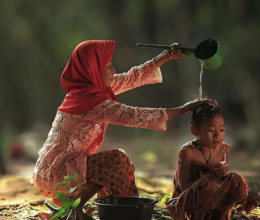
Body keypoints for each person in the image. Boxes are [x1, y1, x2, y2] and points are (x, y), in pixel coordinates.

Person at [31, 40, 216, 220]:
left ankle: (105, 211)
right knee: (117, 160)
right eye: (108, 65)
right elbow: (134, 115)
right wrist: (185, 109)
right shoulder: (90, 100)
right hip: (57, 172)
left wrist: (165, 56)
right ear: (92, 70)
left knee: (124, 168)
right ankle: (74, 207)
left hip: (58, 168)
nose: (113, 70)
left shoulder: (90, 89)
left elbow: (131, 77)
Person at [166, 103, 260, 220]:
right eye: (211, 130)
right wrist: (210, 175)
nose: (217, 135)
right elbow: (184, 188)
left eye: (222, 130)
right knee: (209, 184)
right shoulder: (188, 151)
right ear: (194, 130)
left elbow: (222, 184)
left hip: (213, 202)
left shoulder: (224, 149)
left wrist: (222, 175)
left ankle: (220, 217)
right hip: (186, 204)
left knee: (235, 180)